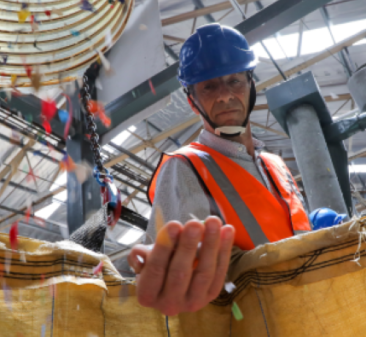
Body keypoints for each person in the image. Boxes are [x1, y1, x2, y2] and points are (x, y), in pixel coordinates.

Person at [127, 23, 310, 316]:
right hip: (255, 322)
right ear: (192, 101)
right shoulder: (185, 167)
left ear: (251, 85)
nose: (224, 95)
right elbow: (182, 273)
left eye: (234, 81)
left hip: (312, 308)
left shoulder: (275, 164)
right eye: (209, 86)